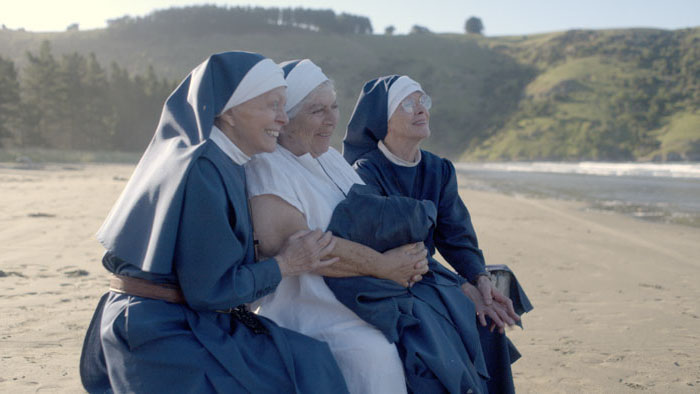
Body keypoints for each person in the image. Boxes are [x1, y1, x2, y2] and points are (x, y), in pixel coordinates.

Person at [78, 51, 350, 393]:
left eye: (284, 106)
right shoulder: (203, 168)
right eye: (272, 106)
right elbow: (211, 290)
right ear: (230, 111)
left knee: (309, 358)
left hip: (174, 317)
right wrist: (286, 264)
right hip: (160, 331)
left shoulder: (222, 158)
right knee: (306, 367)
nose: (282, 119)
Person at [245, 59, 497, 394]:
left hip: (376, 292)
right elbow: (305, 246)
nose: (332, 118)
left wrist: (464, 278)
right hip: (315, 305)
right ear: (286, 116)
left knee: (455, 316)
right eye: (317, 110)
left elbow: (380, 224)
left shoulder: (330, 158)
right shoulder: (268, 167)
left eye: (334, 107)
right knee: (376, 355)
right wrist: (384, 266)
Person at [343, 75, 534, 394]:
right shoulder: (366, 171)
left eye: (423, 101)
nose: (421, 110)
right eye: (408, 103)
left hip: (429, 273)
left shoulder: (439, 169)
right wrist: (461, 287)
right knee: (442, 325)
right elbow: (387, 244)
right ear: (384, 119)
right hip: (389, 276)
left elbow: (457, 234)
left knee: (489, 318)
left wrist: (479, 278)